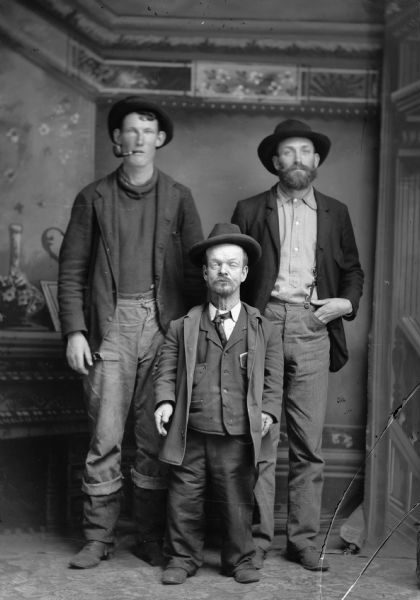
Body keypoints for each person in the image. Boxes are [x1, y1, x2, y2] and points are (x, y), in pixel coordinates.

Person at [58, 96, 204, 569]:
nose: (138, 138)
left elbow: (193, 271)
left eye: (147, 130)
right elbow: (72, 270)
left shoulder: (179, 196)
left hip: (163, 327)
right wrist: (75, 332)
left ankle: (148, 536)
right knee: (104, 437)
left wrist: (191, 337)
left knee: (153, 436)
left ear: (160, 139)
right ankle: (98, 537)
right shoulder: (92, 197)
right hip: (110, 324)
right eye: (129, 130)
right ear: (116, 140)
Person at [231, 119, 364, 571]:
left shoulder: (335, 211)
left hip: (313, 326)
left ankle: (303, 542)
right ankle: (256, 542)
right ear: (274, 161)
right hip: (262, 324)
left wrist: (343, 304)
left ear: (317, 160)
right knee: (260, 439)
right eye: (287, 152)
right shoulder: (249, 209)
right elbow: (231, 267)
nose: (297, 160)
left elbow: (354, 271)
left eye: (305, 151)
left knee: (309, 445)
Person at [153, 223, 283, 585]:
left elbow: (274, 378)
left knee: (237, 501)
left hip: (237, 434)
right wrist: (165, 402)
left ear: (244, 273)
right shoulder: (183, 326)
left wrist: (269, 412)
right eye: (215, 264)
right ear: (205, 273)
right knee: (184, 499)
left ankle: (240, 559)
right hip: (191, 432)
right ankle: (181, 558)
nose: (223, 270)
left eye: (231, 264)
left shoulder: (263, 328)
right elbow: (165, 369)